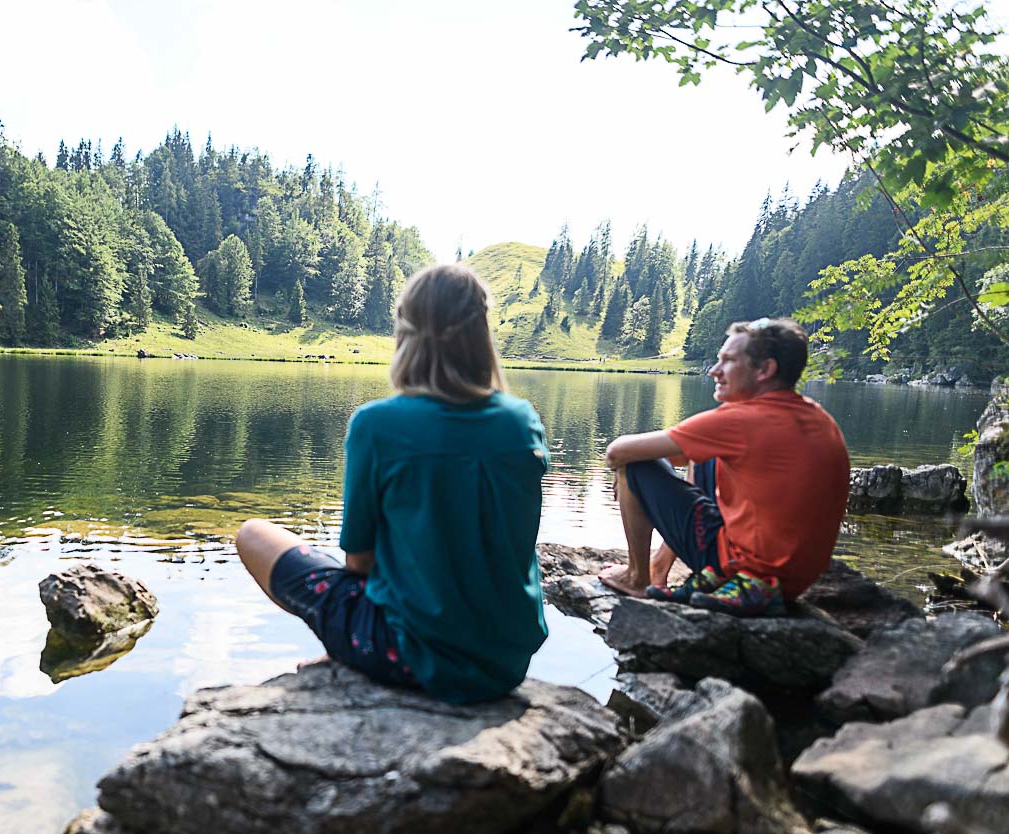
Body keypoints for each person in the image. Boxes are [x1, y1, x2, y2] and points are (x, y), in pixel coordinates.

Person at [234, 263, 549, 704]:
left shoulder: (377, 424)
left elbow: (359, 563)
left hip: (411, 658)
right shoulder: (523, 420)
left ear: (407, 335)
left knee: (253, 534)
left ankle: (349, 648)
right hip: (506, 662)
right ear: (481, 336)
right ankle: (353, 643)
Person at [597, 317, 850, 616]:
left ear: (765, 370)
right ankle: (658, 566)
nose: (715, 371)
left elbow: (616, 452)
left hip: (744, 571)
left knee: (635, 466)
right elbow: (681, 454)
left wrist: (627, 470)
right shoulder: (819, 418)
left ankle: (637, 578)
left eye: (728, 361)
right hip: (791, 580)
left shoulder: (742, 421)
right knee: (699, 453)